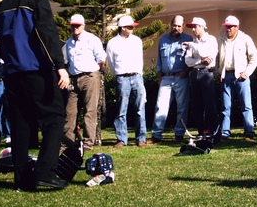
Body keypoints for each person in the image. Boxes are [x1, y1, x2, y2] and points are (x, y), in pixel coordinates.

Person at [0, 0, 70, 191]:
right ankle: (45, 172)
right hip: (36, 70)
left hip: (12, 73)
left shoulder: (1, 7)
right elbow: (46, 33)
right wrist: (60, 65)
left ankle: (22, 179)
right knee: (55, 118)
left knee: (21, 125)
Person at [62, 14, 106, 151]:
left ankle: (88, 143)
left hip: (90, 76)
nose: (75, 27)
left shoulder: (92, 40)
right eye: (73, 25)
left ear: (83, 25)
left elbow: (102, 59)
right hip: (74, 78)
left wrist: (97, 75)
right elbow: (65, 61)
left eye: (78, 25)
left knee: (90, 110)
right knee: (70, 111)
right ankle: (67, 142)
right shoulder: (68, 43)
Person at [147, 15, 193, 143]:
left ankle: (179, 134)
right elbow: (160, 60)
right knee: (160, 106)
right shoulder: (163, 39)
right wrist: (159, 77)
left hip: (181, 78)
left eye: (179, 26)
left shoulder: (189, 39)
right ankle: (156, 135)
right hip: (166, 78)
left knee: (182, 108)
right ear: (171, 25)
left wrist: (186, 71)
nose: (176, 28)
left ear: (183, 26)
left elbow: (192, 59)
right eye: (174, 25)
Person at [105, 15, 147, 148]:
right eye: (130, 27)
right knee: (121, 110)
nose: (132, 29)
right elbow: (111, 62)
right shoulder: (112, 43)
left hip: (137, 76)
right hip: (122, 77)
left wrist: (139, 73)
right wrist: (118, 74)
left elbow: (140, 58)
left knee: (140, 108)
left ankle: (141, 138)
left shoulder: (137, 41)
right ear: (122, 28)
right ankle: (122, 139)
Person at [216, 15, 257, 141]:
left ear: (237, 27)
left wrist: (246, 73)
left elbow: (255, 57)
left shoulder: (245, 39)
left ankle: (249, 132)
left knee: (246, 105)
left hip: (241, 77)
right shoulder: (221, 40)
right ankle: (225, 133)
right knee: (225, 106)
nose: (228, 29)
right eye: (226, 27)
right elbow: (217, 58)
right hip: (226, 76)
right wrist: (218, 73)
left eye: (230, 27)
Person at [184, 17, 219, 136]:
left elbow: (207, 56)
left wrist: (192, 47)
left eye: (195, 26)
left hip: (206, 73)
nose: (193, 29)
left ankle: (213, 131)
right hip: (194, 74)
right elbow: (188, 61)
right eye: (192, 27)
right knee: (197, 105)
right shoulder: (193, 43)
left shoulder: (211, 40)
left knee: (209, 105)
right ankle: (202, 131)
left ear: (203, 26)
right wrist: (199, 60)